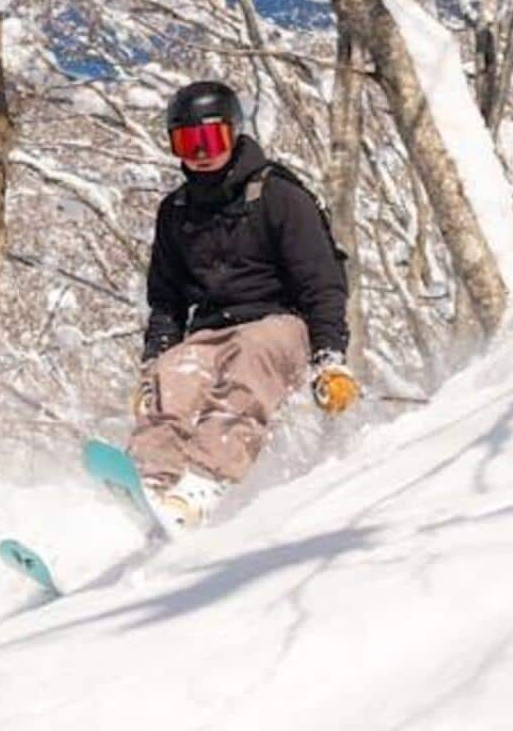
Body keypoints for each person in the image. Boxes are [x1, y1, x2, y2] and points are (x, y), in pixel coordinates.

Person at [128, 80, 360, 529]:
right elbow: (167, 300)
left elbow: (323, 282)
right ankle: (149, 485)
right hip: (212, 332)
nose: (199, 152)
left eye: (210, 138)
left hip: (281, 326)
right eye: (187, 141)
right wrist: (153, 363)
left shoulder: (277, 195)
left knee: (248, 363)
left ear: (233, 132)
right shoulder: (175, 211)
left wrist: (330, 358)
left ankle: (202, 483)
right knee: (175, 374)